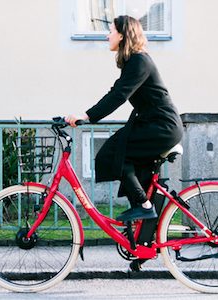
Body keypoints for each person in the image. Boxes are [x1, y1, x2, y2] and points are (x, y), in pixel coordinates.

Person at [66, 15, 183, 225]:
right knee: (123, 160)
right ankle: (141, 238)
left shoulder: (140, 60)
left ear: (122, 35)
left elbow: (119, 96)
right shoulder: (134, 62)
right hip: (153, 124)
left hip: (162, 127)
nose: (107, 35)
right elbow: (116, 91)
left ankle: (144, 206)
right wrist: (87, 115)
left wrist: (87, 116)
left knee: (113, 154)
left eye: (110, 31)